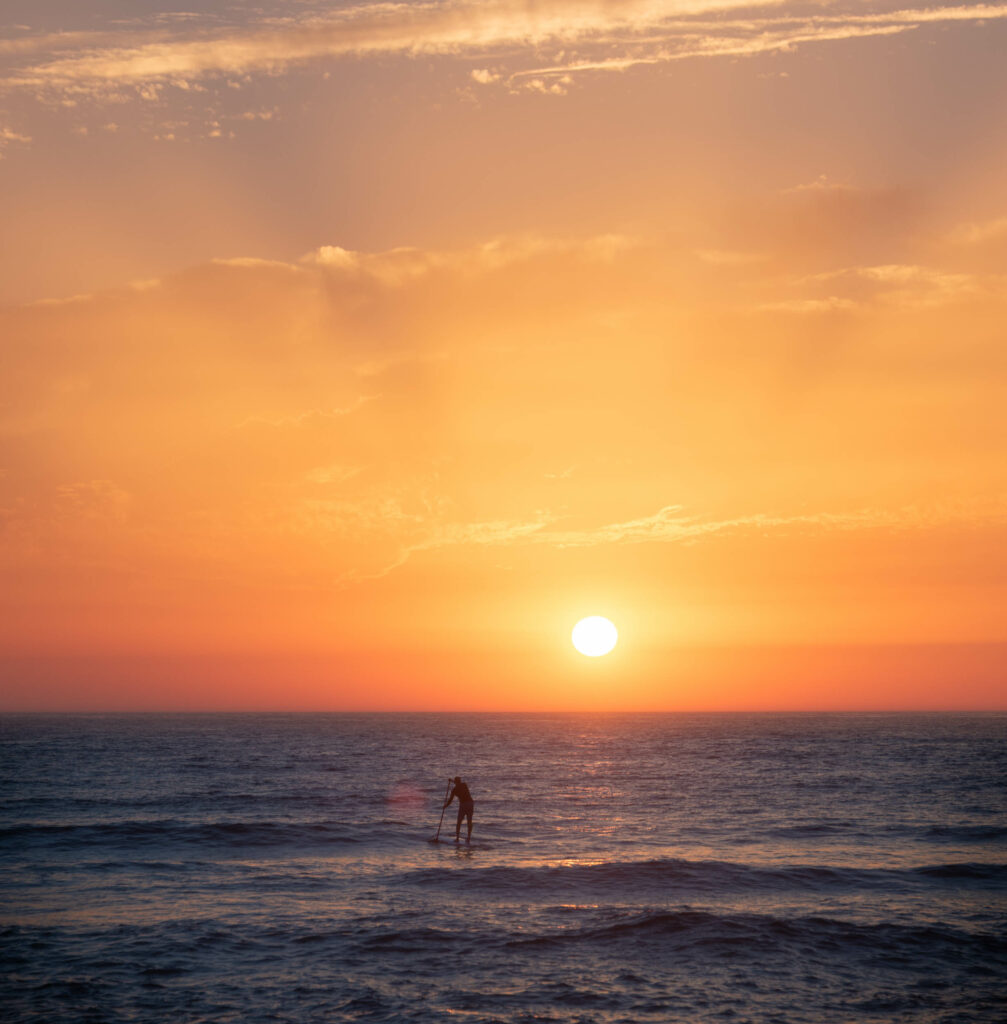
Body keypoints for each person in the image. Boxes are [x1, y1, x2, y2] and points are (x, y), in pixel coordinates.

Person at [443, 776, 474, 842]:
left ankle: (458, 838)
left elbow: (450, 800)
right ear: (459, 781)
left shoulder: (455, 790)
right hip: (469, 804)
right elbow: (457, 784)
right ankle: (467, 837)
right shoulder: (464, 785)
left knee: (460, 822)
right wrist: (451, 781)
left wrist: (445, 806)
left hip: (464, 804)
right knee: (468, 821)